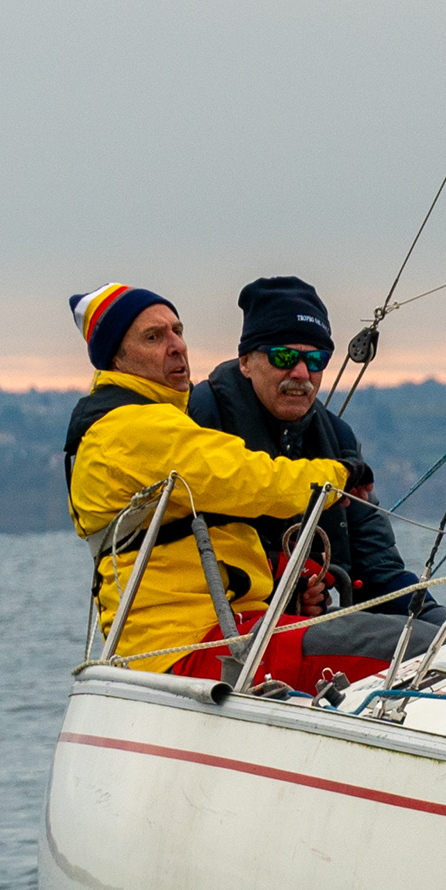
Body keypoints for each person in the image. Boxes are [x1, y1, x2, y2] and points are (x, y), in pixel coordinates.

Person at [62, 282, 361, 676]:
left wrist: (285, 584)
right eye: (153, 337)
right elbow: (252, 480)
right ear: (115, 359)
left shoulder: (156, 421)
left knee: (384, 640)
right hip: (191, 647)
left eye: (178, 332)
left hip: (217, 635)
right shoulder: (131, 429)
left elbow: (195, 542)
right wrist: (340, 475)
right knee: (404, 647)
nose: (176, 346)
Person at [185, 275, 446, 666]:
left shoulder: (339, 440)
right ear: (245, 362)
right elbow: (188, 551)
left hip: (318, 625)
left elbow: (378, 563)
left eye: (316, 361)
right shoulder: (199, 422)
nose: (300, 373)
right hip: (227, 634)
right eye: (283, 357)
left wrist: (438, 621)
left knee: (444, 639)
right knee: (415, 645)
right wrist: (285, 586)